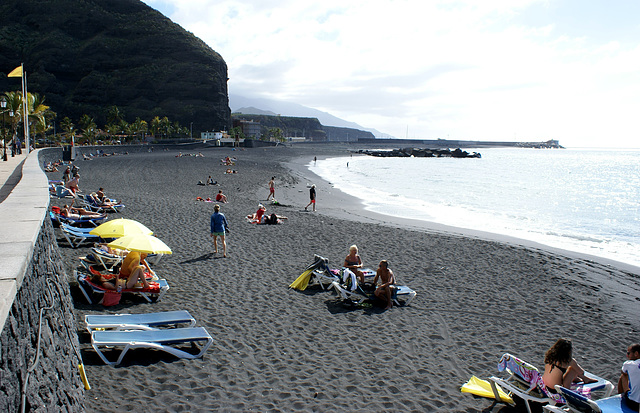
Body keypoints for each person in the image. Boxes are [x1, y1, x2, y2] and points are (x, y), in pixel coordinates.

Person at [618, 343, 640, 411]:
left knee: (623, 376)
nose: (627, 355)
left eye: (628, 353)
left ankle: (621, 396)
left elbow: (623, 372)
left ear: (636, 353)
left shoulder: (628, 364)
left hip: (634, 404)